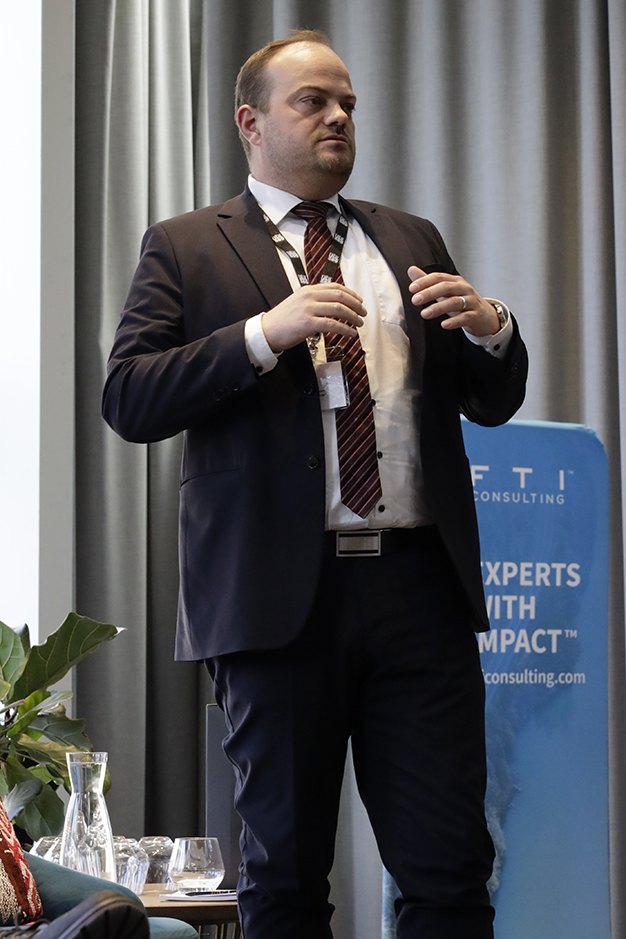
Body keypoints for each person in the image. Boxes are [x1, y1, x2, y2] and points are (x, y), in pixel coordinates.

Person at [102, 29, 528, 939]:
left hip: (420, 592)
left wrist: (493, 328)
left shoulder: (408, 237)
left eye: (348, 105)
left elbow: (489, 400)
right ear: (251, 122)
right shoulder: (187, 246)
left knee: (452, 870)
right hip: (276, 603)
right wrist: (265, 333)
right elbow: (129, 397)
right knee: (286, 879)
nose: (339, 117)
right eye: (314, 102)